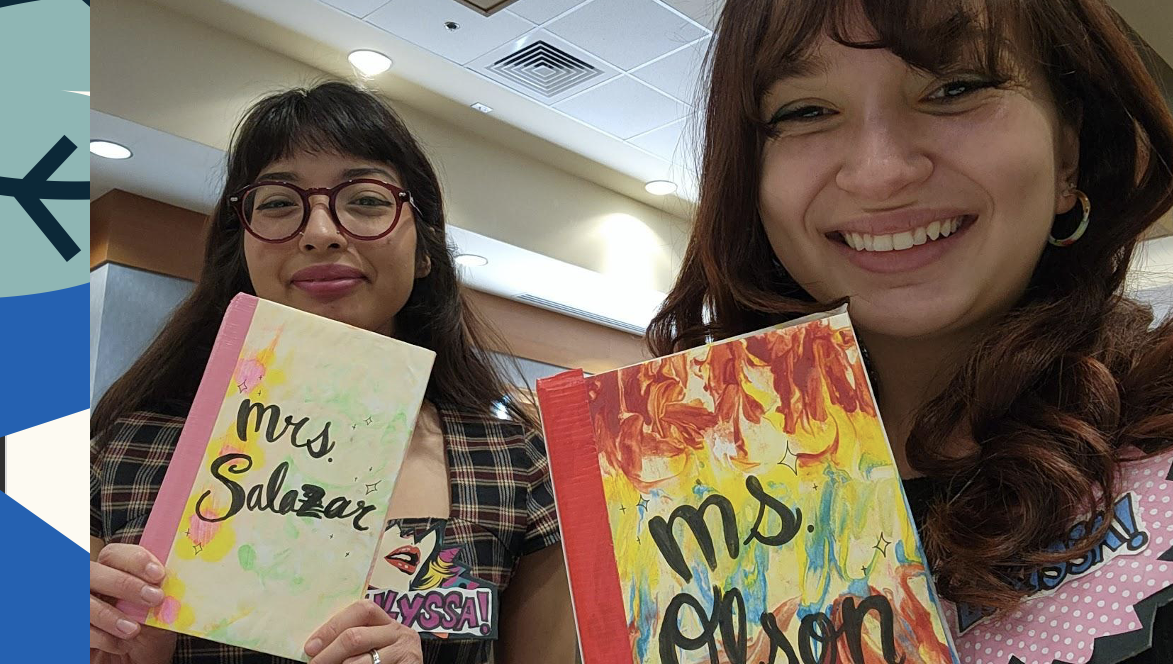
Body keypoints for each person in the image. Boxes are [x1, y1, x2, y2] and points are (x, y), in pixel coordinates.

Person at [647, 0, 1173, 662]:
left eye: (954, 88)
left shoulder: (1158, 456)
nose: (879, 172)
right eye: (804, 111)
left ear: (1066, 153)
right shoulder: (696, 498)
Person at [89, 82, 577, 664]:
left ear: (425, 251)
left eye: (367, 200)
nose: (320, 232)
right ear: (241, 247)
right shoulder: (132, 451)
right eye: (277, 203)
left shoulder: (517, 464)